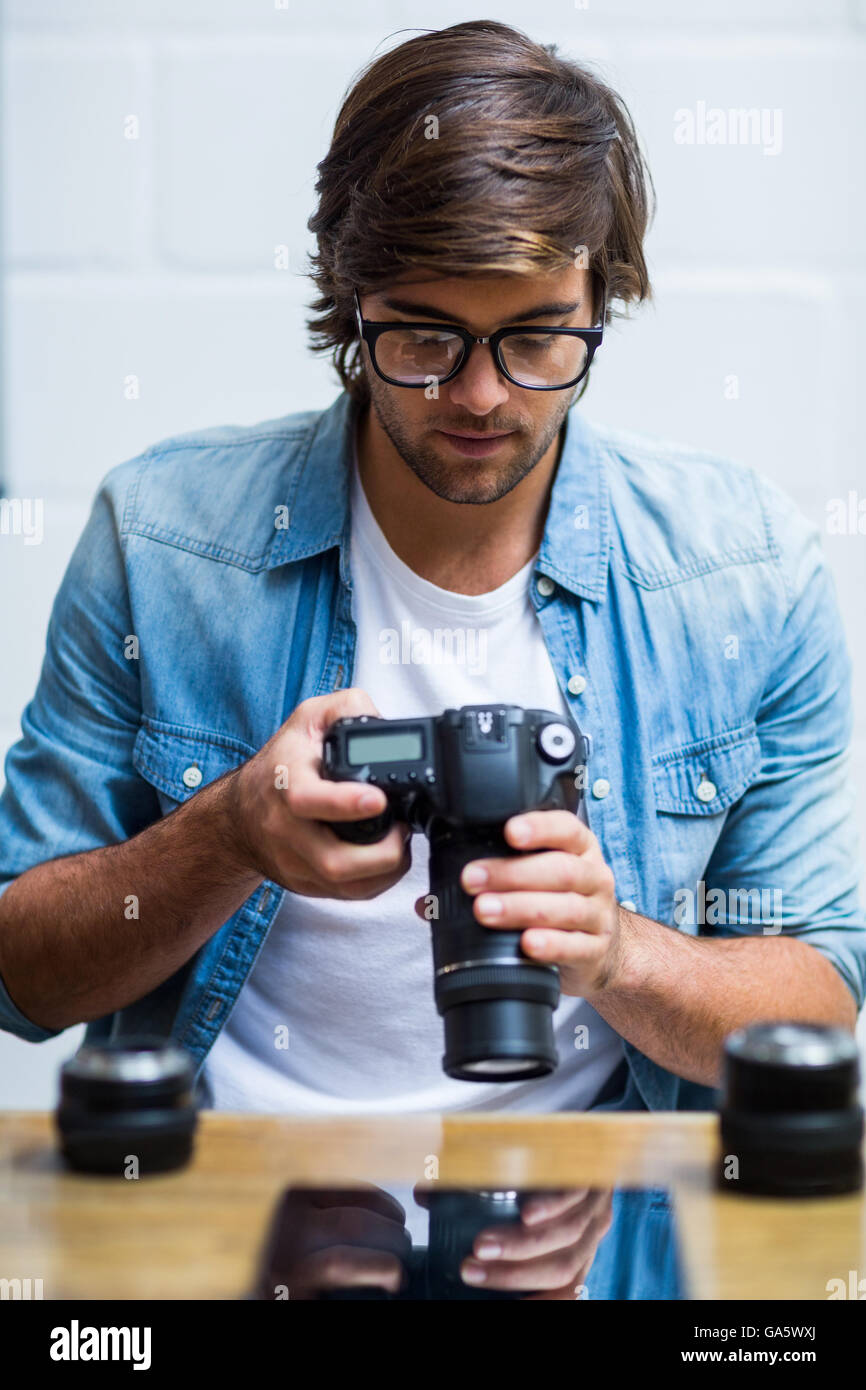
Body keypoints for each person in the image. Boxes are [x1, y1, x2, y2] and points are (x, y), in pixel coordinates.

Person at [1, 19, 863, 1126]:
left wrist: (615, 953)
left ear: (603, 299)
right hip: (228, 1220)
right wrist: (225, 834)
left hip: (589, 1233)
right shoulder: (161, 540)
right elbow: (22, 977)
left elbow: (818, 1007)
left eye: (538, 338)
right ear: (348, 303)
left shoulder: (740, 573)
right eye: (423, 336)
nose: (479, 397)